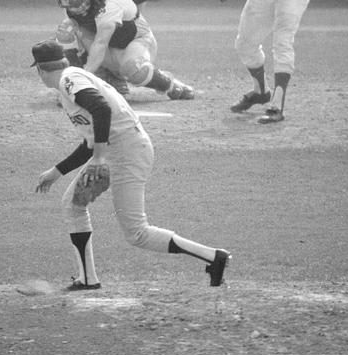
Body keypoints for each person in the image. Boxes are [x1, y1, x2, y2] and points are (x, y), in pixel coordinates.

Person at [31, 39, 230, 291]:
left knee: (137, 233)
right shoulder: (73, 79)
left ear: (40, 70)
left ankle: (214, 257)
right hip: (120, 150)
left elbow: (102, 110)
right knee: (73, 204)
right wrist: (57, 171)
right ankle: (87, 278)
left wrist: (101, 158)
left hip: (128, 153)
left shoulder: (69, 80)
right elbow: (93, 140)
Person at [51, 0, 195, 100]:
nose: (72, 0)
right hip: (105, 51)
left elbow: (101, 44)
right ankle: (87, 83)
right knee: (66, 32)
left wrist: (82, 80)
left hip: (136, 42)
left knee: (133, 69)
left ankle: (168, 84)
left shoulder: (107, 3)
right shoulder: (70, 9)